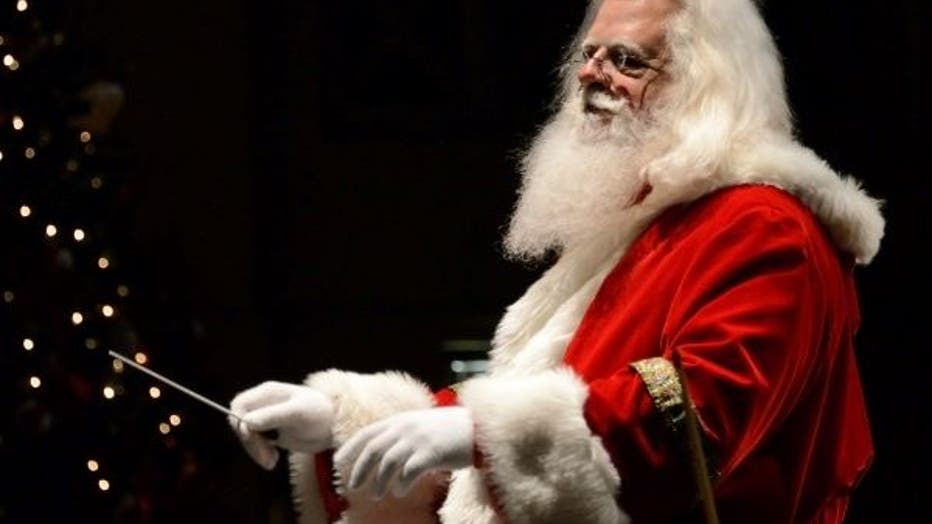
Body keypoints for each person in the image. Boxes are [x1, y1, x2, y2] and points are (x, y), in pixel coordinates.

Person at [229, 0, 884, 522]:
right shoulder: (649, 228)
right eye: (589, 54)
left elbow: (699, 417)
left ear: (705, 87)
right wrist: (348, 427)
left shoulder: (763, 229)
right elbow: (538, 403)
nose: (592, 75)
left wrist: (479, 434)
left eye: (627, 60)